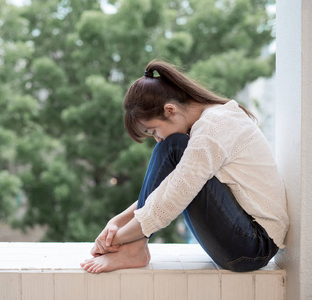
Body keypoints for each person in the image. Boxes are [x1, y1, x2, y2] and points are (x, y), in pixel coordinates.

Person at [80, 60, 289, 273]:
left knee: (172, 146)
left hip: (253, 247)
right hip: (246, 241)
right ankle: (136, 248)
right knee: (173, 147)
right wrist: (118, 221)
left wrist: (117, 239)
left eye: (153, 131)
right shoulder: (210, 123)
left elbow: (176, 194)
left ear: (170, 110)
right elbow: (174, 187)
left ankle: (135, 249)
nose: (157, 139)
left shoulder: (214, 126)